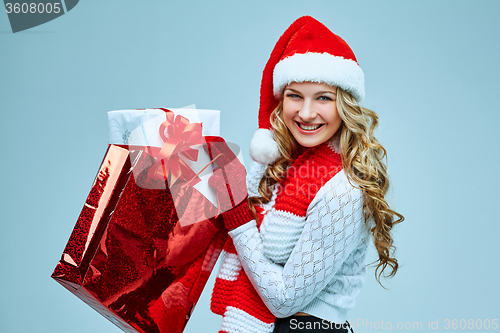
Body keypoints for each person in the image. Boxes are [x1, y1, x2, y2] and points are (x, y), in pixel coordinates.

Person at [207, 15, 404, 333]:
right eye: (295, 95)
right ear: (279, 99)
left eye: (323, 97)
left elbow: (283, 301)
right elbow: (218, 228)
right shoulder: (276, 164)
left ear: (345, 105)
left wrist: (238, 215)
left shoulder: (344, 191)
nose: (307, 112)